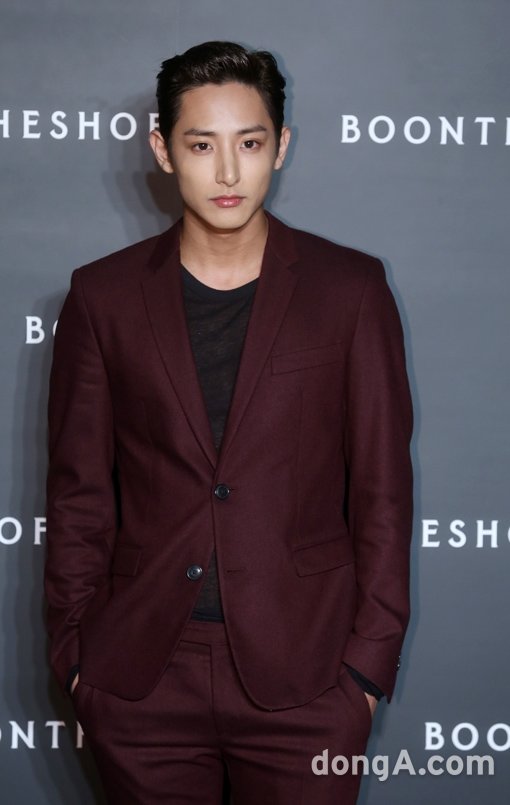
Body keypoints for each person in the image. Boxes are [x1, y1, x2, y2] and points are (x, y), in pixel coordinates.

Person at [44, 40, 413, 805]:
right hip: (142, 679)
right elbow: (79, 495)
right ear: (162, 150)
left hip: (308, 677)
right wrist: (77, 661)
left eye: (247, 143)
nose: (226, 173)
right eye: (201, 145)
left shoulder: (350, 290)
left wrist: (365, 671)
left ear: (281, 146)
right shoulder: (102, 298)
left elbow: (382, 491)